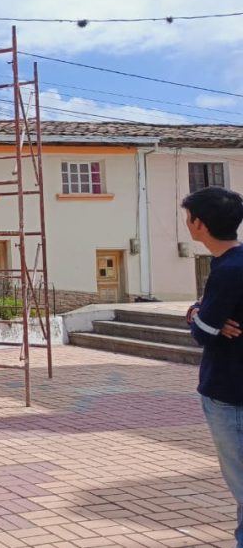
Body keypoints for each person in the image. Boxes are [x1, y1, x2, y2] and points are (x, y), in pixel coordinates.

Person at [182, 186, 243, 547]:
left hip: (229, 393)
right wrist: (200, 311)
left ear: (199, 224)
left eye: (188, 218)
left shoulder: (226, 271)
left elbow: (203, 332)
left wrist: (198, 316)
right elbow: (206, 316)